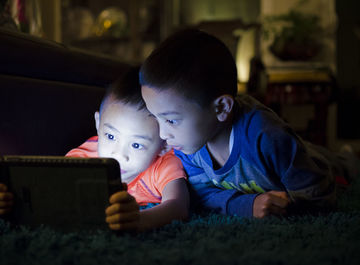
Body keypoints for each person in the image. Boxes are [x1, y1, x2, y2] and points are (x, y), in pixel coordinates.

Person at [139, 28, 359, 218]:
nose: (162, 134)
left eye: (170, 120)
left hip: (318, 162)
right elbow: (202, 194)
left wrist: (290, 207)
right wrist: (248, 205)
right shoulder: (188, 145)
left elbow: (318, 194)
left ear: (222, 108)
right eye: (155, 117)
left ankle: (348, 155)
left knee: (345, 167)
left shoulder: (266, 136)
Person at [0, 66, 190, 231]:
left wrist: (139, 219)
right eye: (110, 136)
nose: (118, 154)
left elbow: (178, 206)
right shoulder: (85, 157)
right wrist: (14, 202)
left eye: (137, 145)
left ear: (163, 145)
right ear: (97, 123)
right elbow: (51, 192)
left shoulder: (163, 163)